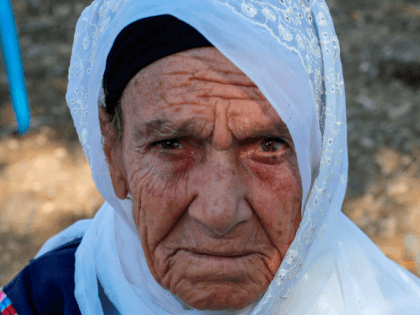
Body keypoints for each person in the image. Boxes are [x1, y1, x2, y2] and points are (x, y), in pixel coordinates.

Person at [1, 0, 420, 314]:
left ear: (316, 159)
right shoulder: (47, 300)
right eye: (171, 145)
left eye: (268, 146)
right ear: (112, 151)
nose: (220, 212)